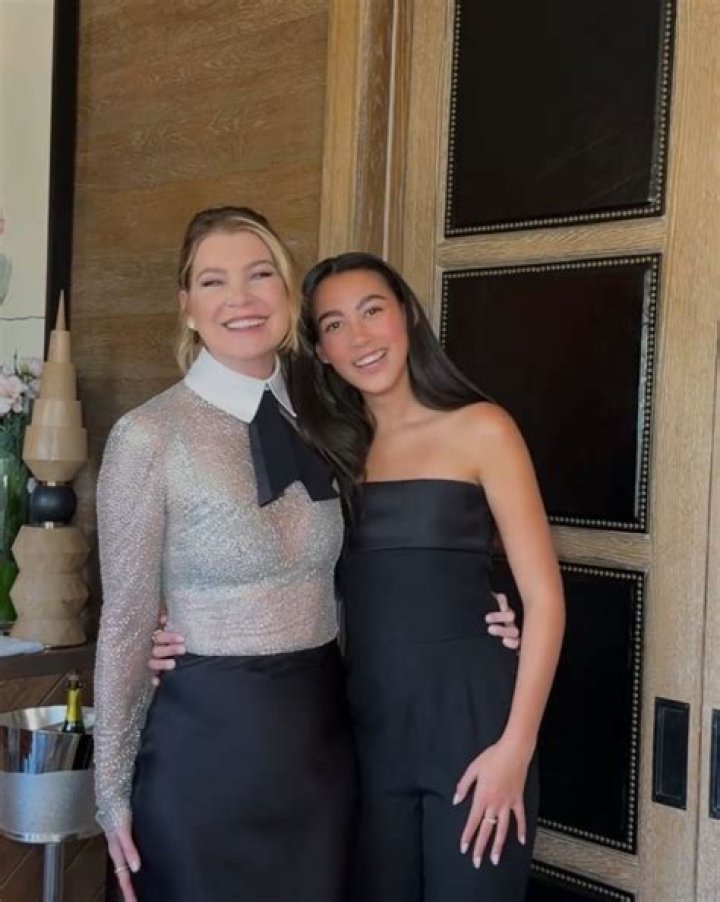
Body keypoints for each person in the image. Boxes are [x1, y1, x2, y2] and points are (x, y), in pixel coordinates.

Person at [94, 207, 357, 902]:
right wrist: (110, 792)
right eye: (214, 281)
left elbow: (375, 565)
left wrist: (481, 604)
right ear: (187, 305)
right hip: (203, 750)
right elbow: (126, 623)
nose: (241, 298)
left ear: (288, 290)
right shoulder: (148, 435)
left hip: (321, 745)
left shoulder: (329, 420)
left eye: (260, 274)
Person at [290, 252, 565, 901]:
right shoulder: (325, 452)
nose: (359, 337)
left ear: (407, 314)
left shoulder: (483, 428)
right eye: (335, 325)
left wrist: (515, 749)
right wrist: (173, 625)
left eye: (372, 311)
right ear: (321, 351)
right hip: (368, 738)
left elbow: (545, 600)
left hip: (475, 731)